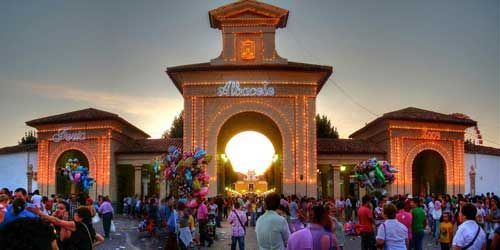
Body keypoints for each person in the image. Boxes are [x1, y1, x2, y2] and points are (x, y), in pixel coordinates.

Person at [28, 206, 104, 249]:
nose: (74, 215)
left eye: (76, 214)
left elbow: (57, 221)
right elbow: (101, 239)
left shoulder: (77, 225)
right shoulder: (89, 226)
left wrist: (39, 212)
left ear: (81, 217)